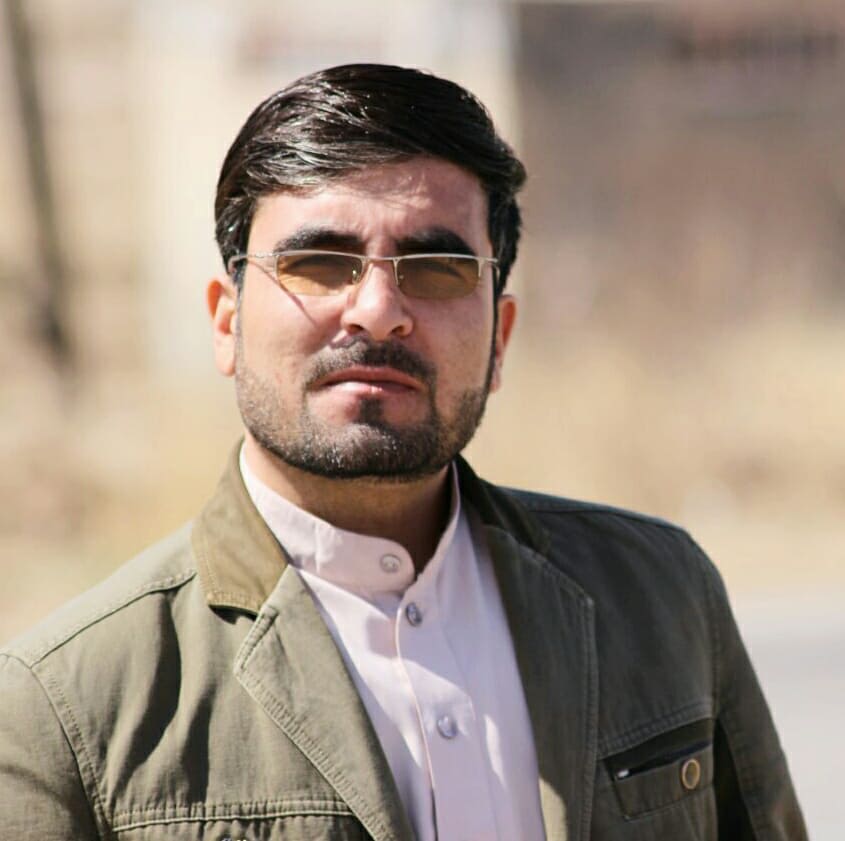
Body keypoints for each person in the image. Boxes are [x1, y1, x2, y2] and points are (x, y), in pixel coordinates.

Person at [0, 64, 805, 841]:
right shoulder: (66, 707)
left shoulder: (658, 596)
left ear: (499, 338)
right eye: (318, 264)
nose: (378, 310)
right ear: (227, 321)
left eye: (437, 269)